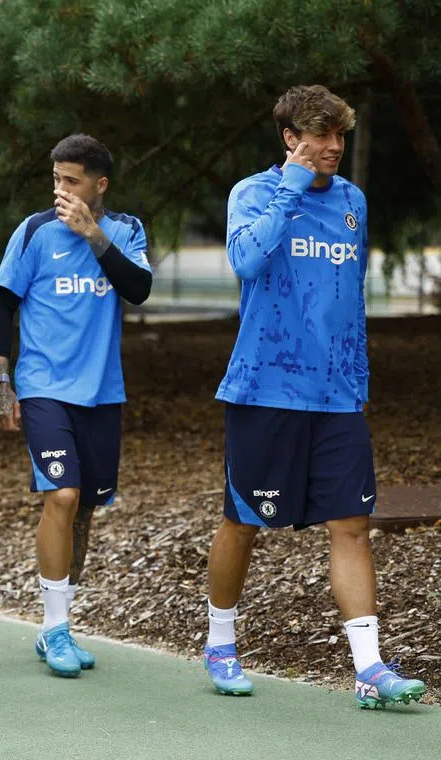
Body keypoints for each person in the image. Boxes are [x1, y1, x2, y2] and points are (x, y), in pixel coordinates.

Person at [202, 85, 426, 709]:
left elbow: (347, 298)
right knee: (244, 522)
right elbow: (246, 260)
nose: (333, 148)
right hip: (264, 389)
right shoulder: (253, 193)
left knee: (352, 524)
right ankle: (220, 643)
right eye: (320, 136)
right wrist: (291, 188)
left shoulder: (353, 201)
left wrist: (357, 378)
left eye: (339, 137)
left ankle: (370, 667)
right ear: (289, 139)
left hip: (337, 396)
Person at [0, 134, 152, 678]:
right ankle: (56, 627)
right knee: (62, 493)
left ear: (99, 184)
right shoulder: (33, 232)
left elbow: (138, 288)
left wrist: (95, 237)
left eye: (72, 181)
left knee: (85, 508)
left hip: (102, 392)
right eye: (56, 179)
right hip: (43, 386)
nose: (60, 190)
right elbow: (2, 306)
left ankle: (57, 623)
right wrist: (0, 386)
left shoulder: (125, 231)